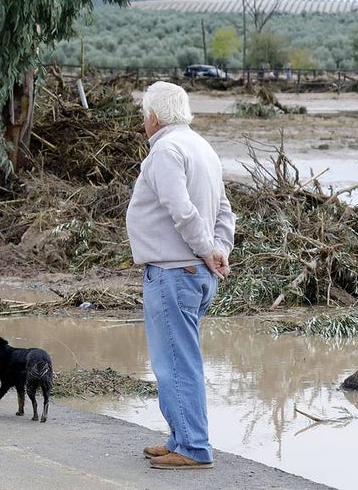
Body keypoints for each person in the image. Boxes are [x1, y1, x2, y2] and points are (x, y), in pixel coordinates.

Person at [126, 81, 234, 469]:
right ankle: (180, 436)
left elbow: (181, 210)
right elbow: (225, 212)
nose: (143, 122)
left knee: (176, 362)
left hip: (175, 272)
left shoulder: (166, 150)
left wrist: (208, 250)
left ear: (153, 116)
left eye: (143, 115)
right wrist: (219, 249)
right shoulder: (202, 147)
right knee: (177, 358)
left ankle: (192, 446)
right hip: (193, 272)